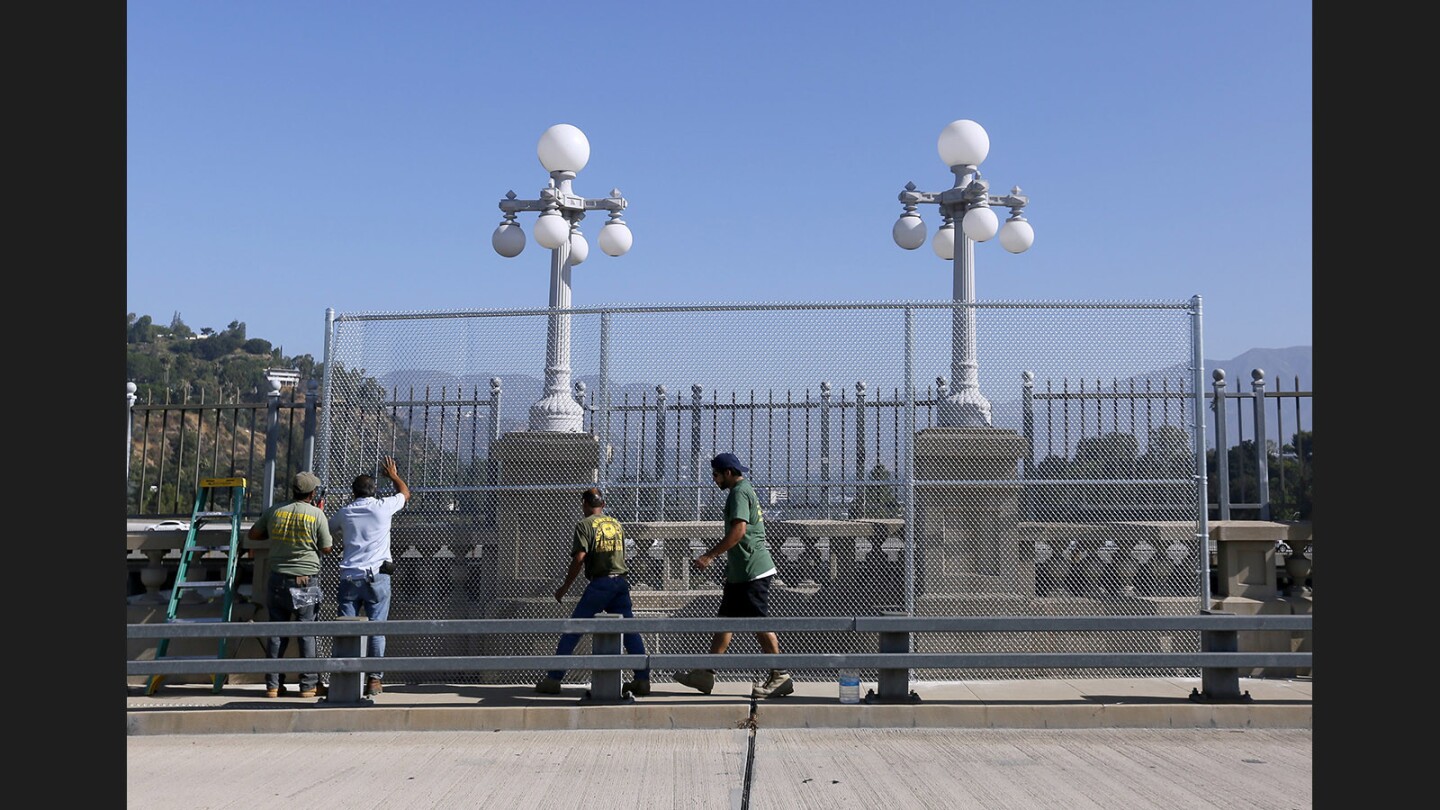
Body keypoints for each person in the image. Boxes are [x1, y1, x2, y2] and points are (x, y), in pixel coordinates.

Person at [675, 452, 794, 698]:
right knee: (725, 621)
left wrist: (710, 555)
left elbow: (738, 531)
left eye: (716, 475)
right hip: (740, 573)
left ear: (728, 473)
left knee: (759, 623)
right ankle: (706, 674)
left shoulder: (739, 493)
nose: (714, 480)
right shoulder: (741, 490)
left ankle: (780, 674)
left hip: (753, 570)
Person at [535, 488, 651, 697]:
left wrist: (565, 587)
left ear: (584, 505)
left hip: (600, 584)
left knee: (574, 628)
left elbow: (579, 558)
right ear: (603, 505)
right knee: (629, 630)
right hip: (620, 583)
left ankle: (554, 679)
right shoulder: (616, 524)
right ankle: (642, 679)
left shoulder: (584, 525)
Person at [328, 456, 411, 697]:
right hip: (378, 576)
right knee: (377, 629)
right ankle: (374, 679)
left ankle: (348, 678)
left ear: (353, 492)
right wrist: (393, 475)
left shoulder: (345, 513)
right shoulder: (383, 507)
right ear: (374, 491)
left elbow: (329, 529)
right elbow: (405, 494)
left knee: (348, 630)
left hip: (350, 577)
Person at [248, 471, 334, 698]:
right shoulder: (316, 515)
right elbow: (326, 548)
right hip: (305, 581)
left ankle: (273, 685)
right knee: (307, 631)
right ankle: (308, 685)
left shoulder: (275, 511)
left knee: (277, 632)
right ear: (313, 493)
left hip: (277, 578)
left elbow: (254, 534)